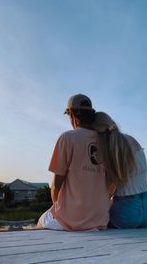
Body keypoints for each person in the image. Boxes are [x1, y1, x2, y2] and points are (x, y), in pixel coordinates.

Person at [37, 94, 111, 231]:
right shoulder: (106, 141)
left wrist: (57, 207)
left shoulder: (67, 138)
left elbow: (56, 186)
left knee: (41, 220)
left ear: (71, 115)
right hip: (100, 220)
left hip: (72, 221)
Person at [91, 112, 147, 228]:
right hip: (146, 214)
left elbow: (106, 190)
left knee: (90, 220)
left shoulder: (107, 150)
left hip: (125, 216)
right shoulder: (131, 140)